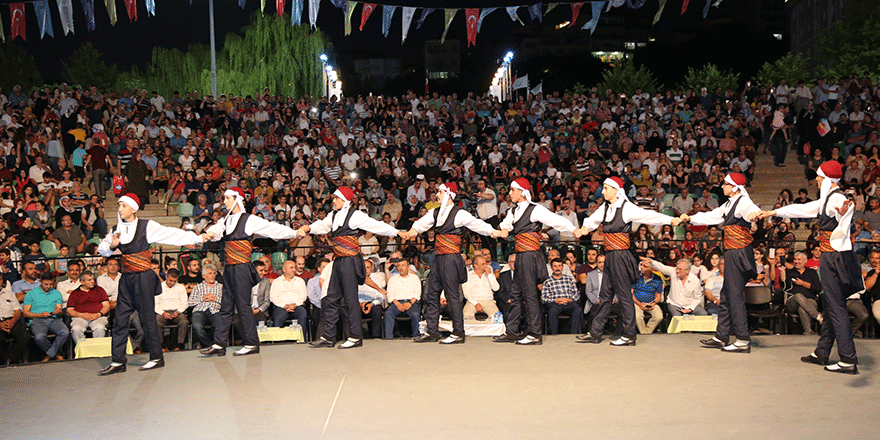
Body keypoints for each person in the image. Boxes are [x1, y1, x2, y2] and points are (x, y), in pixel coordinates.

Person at [755, 161, 862, 374]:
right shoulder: (827, 200)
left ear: (828, 179)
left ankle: (848, 359)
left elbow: (843, 209)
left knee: (836, 306)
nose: (817, 180)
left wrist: (843, 212)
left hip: (834, 258)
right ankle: (822, 352)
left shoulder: (837, 198)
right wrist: (771, 213)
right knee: (833, 305)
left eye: (820, 177)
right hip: (834, 257)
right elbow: (801, 208)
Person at [97, 193, 206, 376]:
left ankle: (156, 357)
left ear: (134, 208)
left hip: (143, 278)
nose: (120, 209)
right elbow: (102, 249)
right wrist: (111, 245)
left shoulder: (147, 226)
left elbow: (172, 234)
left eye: (123, 205)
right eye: (119, 205)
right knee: (120, 320)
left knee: (148, 318)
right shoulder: (116, 229)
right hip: (127, 279)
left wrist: (197, 238)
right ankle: (117, 361)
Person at [574, 177, 680, 346]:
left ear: (616, 190)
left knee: (624, 295)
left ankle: (629, 334)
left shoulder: (626, 207)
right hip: (609, 255)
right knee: (605, 294)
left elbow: (648, 216)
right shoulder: (605, 207)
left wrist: (670, 220)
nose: (603, 191)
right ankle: (595, 332)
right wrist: (585, 228)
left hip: (621, 256)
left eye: (606, 188)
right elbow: (592, 220)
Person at [300, 186, 404, 349]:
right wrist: (309, 228)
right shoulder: (333, 215)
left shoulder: (355, 215)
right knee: (331, 298)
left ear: (344, 200)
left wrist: (397, 232)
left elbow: (376, 226)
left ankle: (355, 336)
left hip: (350, 260)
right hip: (339, 260)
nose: (333, 201)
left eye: (336, 198)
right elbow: (322, 226)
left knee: (350, 299)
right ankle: (328, 336)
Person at [200, 187, 300, 357]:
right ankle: (219, 344)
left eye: (227, 198)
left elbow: (272, 229)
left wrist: (294, 232)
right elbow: (216, 232)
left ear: (237, 199)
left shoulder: (249, 219)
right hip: (230, 268)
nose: (224, 201)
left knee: (243, 306)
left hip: (241, 268)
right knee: (226, 306)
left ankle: (252, 342)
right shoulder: (225, 220)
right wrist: (209, 233)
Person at [491, 178, 580, 345]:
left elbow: (556, 220)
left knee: (530, 294)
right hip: (520, 254)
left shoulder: (535, 210)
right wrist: (503, 229)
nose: (510, 193)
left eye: (512, 190)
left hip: (531, 255)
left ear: (522, 192)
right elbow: (507, 224)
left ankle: (535, 334)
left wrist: (573, 229)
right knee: (516, 294)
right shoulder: (513, 210)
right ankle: (512, 331)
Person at [403, 183, 495, 344]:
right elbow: (421, 223)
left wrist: (493, 231)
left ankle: (458, 332)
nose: (436, 194)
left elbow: (477, 224)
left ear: (449, 194)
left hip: (451, 258)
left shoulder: (460, 214)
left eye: (440, 192)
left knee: (452, 296)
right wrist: (413, 230)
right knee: (431, 294)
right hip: (438, 258)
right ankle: (432, 331)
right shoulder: (436, 212)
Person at [680, 172, 759, 353]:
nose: (722, 186)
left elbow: (751, 211)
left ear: (735, 187)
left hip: (738, 252)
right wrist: (691, 218)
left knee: (735, 295)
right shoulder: (730, 203)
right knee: (726, 293)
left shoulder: (743, 202)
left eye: (725, 184)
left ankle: (742, 339)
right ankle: (721, 336)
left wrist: (754, 216)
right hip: (732, 251)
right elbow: (713, 216)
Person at [23, 271, 70, 362]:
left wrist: (58, 311)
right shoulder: (31, 294)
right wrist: (40, 315)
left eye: (50, 284)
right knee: (40, 337)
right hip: (37, 320)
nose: (48, 286)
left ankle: (49, 354)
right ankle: (55, 354)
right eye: (46, 284)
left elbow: (59, 310)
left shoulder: (57, 293)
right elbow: (25, 313)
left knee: (65, 332)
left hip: (54, 319)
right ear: (40, 281)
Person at [541, 258, 584, 335]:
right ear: (551, 268)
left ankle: (574, 334)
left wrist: (569, 299)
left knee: (577, 309)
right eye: (555, 266)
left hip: (569, 302)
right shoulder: (547, 281)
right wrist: (556, 300)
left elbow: (576, 294)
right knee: (552, 311)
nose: (557, 268)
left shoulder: (569, 279)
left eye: (559, 266)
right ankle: (554, 335)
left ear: (562, 267)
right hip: (555, 304)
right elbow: (543, 298)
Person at [66, 270, 110, 344]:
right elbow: (69, 310)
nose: (92, 281)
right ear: (82, 282)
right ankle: (82, 351)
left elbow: (107, 306)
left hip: (98, 316)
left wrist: (98, 314)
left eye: (93, 279)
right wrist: (81, 314)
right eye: (89, 280)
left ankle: (97, 352)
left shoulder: (100, 290)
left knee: (100, 327)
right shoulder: (75, 293)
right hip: (80, 317)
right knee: (76, 329)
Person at [383, 259, 422, 339]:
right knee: (388, 314)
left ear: (408, 267)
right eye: (398, 266)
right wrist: (398, 304)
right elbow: (390, 295)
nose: (401, 268)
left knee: (415, 315)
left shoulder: (415, 278)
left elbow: (417, 294)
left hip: (411, 302)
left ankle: (416, 337)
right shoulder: (393, 279)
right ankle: (388, 339)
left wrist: (410, 303)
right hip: (397, 303)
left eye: (403, 265)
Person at [154, 268, 189, 351]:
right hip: (162, 312)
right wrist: (163, 313)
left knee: (184, 321)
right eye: (170, 280)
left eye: (174, 281)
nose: (172, 283)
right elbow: (155, 304)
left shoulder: (181, 288)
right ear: (166, 276)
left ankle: (179, 345)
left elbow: (184, 303)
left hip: (177, 312)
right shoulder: (159, 287)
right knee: (156, 321)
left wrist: (178, 311)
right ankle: (162, 345)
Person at [189, 265, 223, 349]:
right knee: (197, 327)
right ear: (204, 276)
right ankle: (209, 345)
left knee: (219, 325)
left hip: (215, 310)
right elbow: (190, 303)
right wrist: (202, 299)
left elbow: (228, 302)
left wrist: (216, 299)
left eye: (214, 273)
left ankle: (209, 344)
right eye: (210, 273)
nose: (212, 275)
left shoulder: (221, 287)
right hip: (200, 310)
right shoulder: (198, 287)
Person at [270, 261, 308, 329]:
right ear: (284, 269)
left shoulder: (300, 281)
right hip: (281, 307)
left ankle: (302, 339)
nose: (294, 269)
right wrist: (285, 306)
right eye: (291, 268)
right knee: (278, 317)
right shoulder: (277, 282)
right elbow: (274, 297)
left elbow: (303, 295)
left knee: (303, 314)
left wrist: (294, 304)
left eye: (294, 267)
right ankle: (278, 339)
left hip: (297, 306)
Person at [462, 255, 501, 320]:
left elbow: (496, 288)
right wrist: (475, 303)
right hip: (472, 301)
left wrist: (490, 274)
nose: (485, 266)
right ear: (475, 265)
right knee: (466, 316)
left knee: (496, 318)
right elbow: (466, 293)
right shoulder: (468, 276)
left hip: (488, 301)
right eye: (483, 264)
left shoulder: (489, 274)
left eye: (485, 263)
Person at [632, 259, 664, 334]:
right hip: (637, 302)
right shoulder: (636, 276)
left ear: (652, 269)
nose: (641, 267)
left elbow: (658, 297)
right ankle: (645, 333)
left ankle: (646, 332)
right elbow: (631, 294)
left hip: (651, 303)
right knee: (637, 316)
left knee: (659, 316)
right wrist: (640, 304)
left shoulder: (657, 279)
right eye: (641, 265)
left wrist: (653, 303)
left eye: (645, 266)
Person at [0, 280, 28, 365]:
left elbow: (17, 310)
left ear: (1, 280)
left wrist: (12, 321)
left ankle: (11, 358)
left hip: (11, 319)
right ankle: (4, 360)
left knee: (25, 336)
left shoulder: (9, 294)